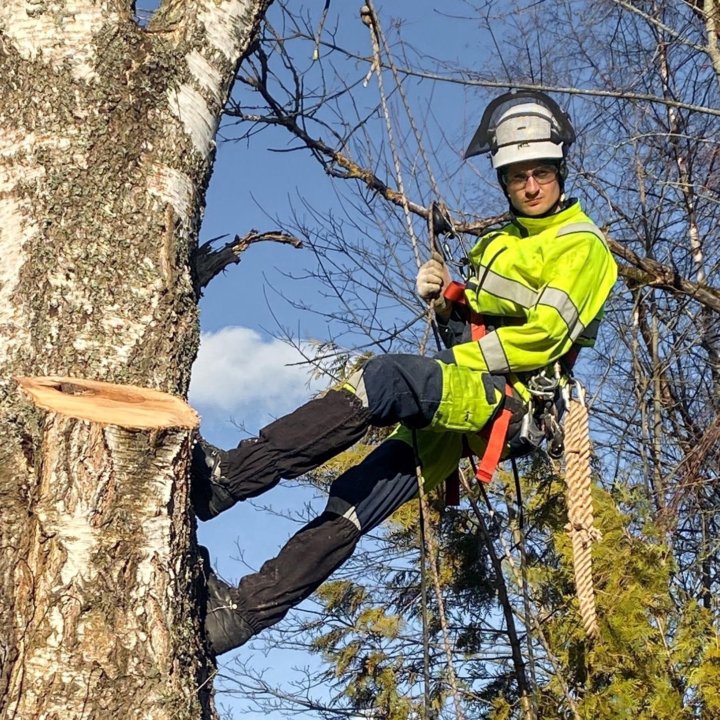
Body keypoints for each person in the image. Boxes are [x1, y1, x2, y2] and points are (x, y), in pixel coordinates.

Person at [192, 90, 618, 656]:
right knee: (356, 497)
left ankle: (227, 479)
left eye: (541, 173)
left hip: (507, 399)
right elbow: (473, 325)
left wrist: (451, 360)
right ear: (504, 182)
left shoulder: (581, 245)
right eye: (518, 177)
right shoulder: (498, 243)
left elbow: (543, 336)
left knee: (387, 380)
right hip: (472, 391)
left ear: (559, 171)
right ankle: (238, 615)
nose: (532, 186)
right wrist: (446, 302)